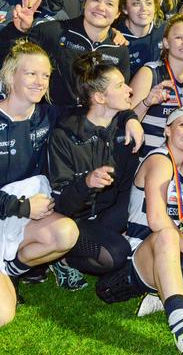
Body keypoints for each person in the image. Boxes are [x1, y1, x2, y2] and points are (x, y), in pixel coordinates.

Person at [96, 106, 183, 354]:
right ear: (167, 130)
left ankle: (162, 294)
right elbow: (157, 220)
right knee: (168, 235)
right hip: (140, 253)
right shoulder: (160, 160)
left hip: (170, 255)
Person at [0, 41, 79, 325]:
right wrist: (20, 206)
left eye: (45, 75)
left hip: (20, 219)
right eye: (31, 73)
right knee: (3, 315)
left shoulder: (48, 115)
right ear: (10, 77)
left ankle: (11, 269)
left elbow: (95, 111)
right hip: (12, 210)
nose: (39, 81)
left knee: (66, 233)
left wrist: (132, 115)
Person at [47, 53, 140, 290]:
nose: (129, 89)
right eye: (120, 85)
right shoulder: (65, 135)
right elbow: (62, 205)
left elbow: (125, 193)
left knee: (124, 248)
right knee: (116, 255)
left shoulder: (126, 133)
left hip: (107, 218)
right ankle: (60, 257)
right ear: (99, 97)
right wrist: (87, 183)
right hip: (71, 220)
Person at [25, 0, 130, 107]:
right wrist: (19, 30)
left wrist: (129, 119)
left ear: (117, 14)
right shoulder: (51, 32)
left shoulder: (119, 50)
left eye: (110, 4)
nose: (101, 7)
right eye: (95, 0)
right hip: (51, 121)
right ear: (84, 3)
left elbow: (121, 97)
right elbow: (18, 66)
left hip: (94, 124)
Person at [130, 15, 183, 156]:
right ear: (166, 43)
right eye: (179, 38)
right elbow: (125, 122)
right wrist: (146, 103)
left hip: (177, 159)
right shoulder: (150, 73)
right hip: (146, 158)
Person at [116, 0, 165, 76]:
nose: (143, 8)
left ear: (155, 7)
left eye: (149, 3)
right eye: (136, 4)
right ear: (125, 8)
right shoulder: (116, 38)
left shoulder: (166, 30)